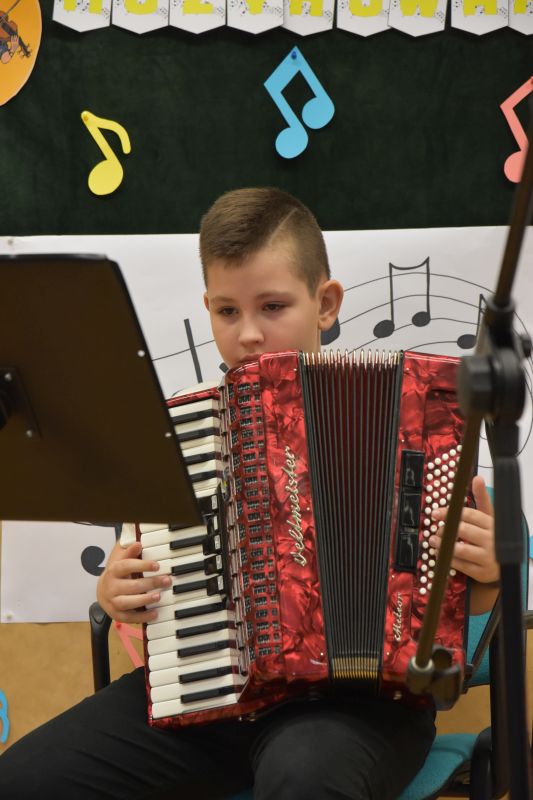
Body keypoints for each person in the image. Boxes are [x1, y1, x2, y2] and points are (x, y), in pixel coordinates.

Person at [0, 187, 500, 800]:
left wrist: (488, 573)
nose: (249, 334)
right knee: (22, 781)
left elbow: (461, 613)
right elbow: (144, 576)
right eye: (228, 312)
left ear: (326, 303)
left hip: (361, 709)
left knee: (304, 778)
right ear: (207, 309)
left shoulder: (417, 414)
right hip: (212, 693)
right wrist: (117, 590)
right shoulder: (190, 431)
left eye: (273, 306)